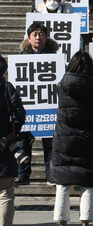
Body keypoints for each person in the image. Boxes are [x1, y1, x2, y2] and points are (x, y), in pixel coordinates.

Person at [51, 50, 93, 226]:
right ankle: (85, 225)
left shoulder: (61, 86)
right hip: (87, 138)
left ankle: (62, 225)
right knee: (87, 183)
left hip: (63, 139)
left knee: (62, 183)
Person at [18, 22, 58, 185]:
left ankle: (51, 175)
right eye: (34, 34)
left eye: (41, 34)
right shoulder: (21, 58)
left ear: (46, 37)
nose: (38, 37)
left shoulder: (55, 57)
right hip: (27, 107)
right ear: (29, 38)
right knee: (23, 143)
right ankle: (23, 175)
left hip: (48, 106)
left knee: (50, 144)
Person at [0, 56, 24, 226]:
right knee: (5, 193)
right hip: (4, 145)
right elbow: (19, 113)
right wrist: (11, 131)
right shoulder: (6, 87)